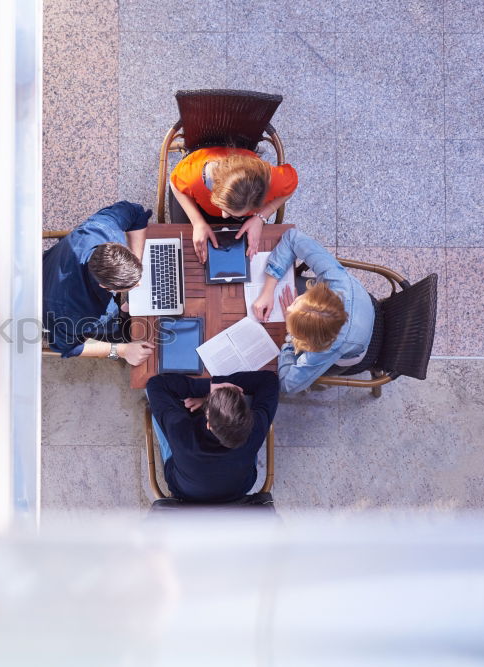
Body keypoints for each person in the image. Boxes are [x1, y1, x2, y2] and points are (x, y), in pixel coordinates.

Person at [251, 229, 375, 394]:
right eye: (298, 301)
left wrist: (290, 336)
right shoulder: (337, 279)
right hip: (363, 312)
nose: (287, 308)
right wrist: (268, 289)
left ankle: (318, 384)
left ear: (312, 343)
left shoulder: (329, 346)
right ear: (319, 295)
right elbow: (292, 237)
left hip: (350, 352)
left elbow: (287, 385)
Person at [42, 201, 154, 365]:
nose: (138, 284)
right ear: (106, 287)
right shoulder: (74, 314)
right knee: (124, 335)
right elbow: (67, 348)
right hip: (45, 301)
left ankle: (125, 308)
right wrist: (122, 350)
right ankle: (123, 335)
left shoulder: (102, 228)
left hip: (45, 267)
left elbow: (136, 213)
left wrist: (136, 262)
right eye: (132, 286)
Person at [146, 371, 278, 503]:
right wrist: (213, 397)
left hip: (185, 492)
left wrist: (211, 386)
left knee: (156, 402)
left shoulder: (181, 430)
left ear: (208, 424)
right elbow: (269, 380)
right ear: (246, 414)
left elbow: (155, 385)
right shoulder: (256, 428)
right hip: (235, 491)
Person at [169, 147, 298, 263]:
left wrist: (260, 217)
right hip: (199, 202)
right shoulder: (194, 176)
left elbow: (291, 187)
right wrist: (197, 222)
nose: (224, 216)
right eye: (225, 209)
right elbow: (174, 183)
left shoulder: (275, 180)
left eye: (231, 213)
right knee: (184, 247)